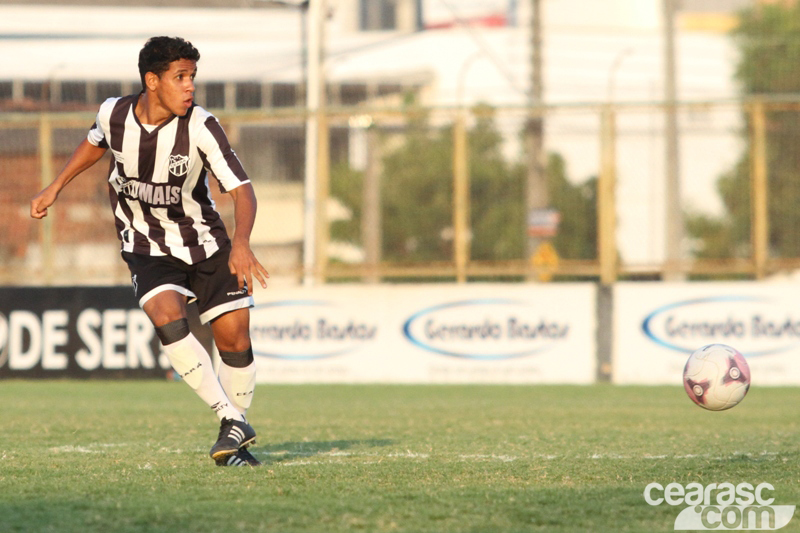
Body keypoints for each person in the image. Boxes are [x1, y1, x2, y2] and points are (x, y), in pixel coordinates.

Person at [30, 36, 269, 467]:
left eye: (193, 77)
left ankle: (234, 433)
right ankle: (229, 417)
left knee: (235, 339)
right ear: (152, 81)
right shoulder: (113, 113)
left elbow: (242, 189)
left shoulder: (201, 126)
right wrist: (55, 186)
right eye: (181, 77)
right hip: (145, 244)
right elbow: (94, 142)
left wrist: (243, 244)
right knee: (166, 315)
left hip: (207, 245)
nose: (190, 86)